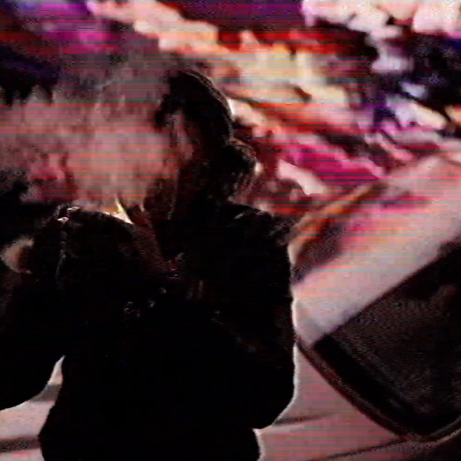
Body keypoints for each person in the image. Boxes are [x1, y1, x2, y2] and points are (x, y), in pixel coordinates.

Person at [0, 62, 295, 461]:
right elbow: (13, 378)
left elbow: (262, 398)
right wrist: (36, 285)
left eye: (173, 150)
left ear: (206, 164)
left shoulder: (245, 239)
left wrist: (159, 287)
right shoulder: (84, 236)